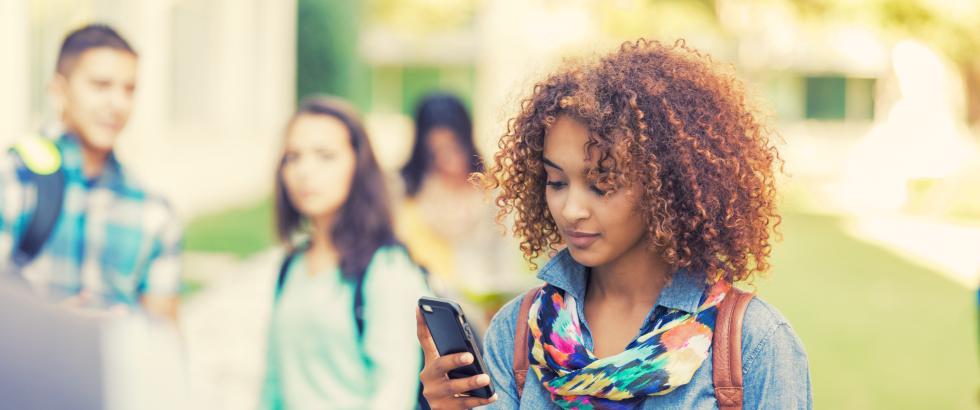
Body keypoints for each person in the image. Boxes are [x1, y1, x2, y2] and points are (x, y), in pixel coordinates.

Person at [416, 39, 812, 409]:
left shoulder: (754, 344)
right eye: (557, 182)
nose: (571, 209)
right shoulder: (518, 332)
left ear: (665, 186)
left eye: (602, 184)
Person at [0, 24, 182, 321]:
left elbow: (165, 338)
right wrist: (48, 328)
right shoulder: (12, 183)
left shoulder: (155, 213)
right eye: (101, 85)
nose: (118, 104)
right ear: (59, 91)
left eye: (129, 89)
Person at [261, 96, 430, 409]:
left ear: (359, 165)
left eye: (325, 156)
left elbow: (393, 393)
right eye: (293, 157)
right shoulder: (291, 265)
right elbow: (273, 383)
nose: (304, 171)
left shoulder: (386, 267)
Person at [397, 92, 525, 326]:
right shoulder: (405, 191)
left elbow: (504, 262)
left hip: (480, 319)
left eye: (453, 147)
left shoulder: (491, 193)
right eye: (435, 151)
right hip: (419, 314)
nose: (446, 159)